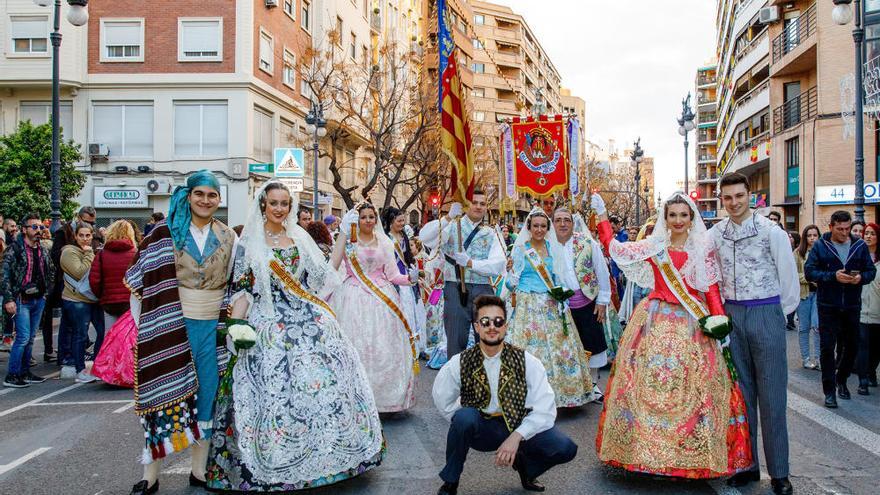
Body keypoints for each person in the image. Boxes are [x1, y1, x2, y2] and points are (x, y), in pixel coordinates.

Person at [206, 181, 384, 491]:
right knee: (272, 389)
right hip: (269, 321)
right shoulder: (248, 244)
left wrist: (343, 233)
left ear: (290, 207)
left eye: (284, 203)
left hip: (307, 319)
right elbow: (243, 290)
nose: (278, 208)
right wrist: (236, 327)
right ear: (263, 205)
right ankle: (277, 458)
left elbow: (324, 274)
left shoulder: (300, 238)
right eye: (273, 202)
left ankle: (330, 457)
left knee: (328, 381)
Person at [591, 192, 752, 479]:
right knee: (646, 387)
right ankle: (645, 454)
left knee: (692, 390)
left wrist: (719, 323)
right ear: (665, 219)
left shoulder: (703, 251)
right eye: (672, 215)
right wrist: (602, 218)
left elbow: (711, 290)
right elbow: (615, 248)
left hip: (691, 326)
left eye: (683, 215)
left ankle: (687, 454)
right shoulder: (655, 246)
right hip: (653, 321)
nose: (678, 220)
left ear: (692, 219)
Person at [125, 170, 237, 495]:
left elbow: (235, 284)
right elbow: (141, 283)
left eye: (212, 195)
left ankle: (199, 471)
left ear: (219, 200)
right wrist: (144, 328)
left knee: (207, 396)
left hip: (211, 328)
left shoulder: (229, 236)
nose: (205, 200)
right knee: (162, 395)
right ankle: (151, 474)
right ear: (188, 196)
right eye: (199, 194)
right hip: (169, 326)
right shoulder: (164, 232)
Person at [432, 295, 577, 495]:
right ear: (476, 326)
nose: (492, 327)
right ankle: (451, 481)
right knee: (463, 418)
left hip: (519, 426)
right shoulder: (459, 362)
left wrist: (518, 436)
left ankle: (527, 467)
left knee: (565, 447)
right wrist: (463, 424)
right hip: (483, 430)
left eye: (498, 321)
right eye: (485, 321)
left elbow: (545, 408)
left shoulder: (527, 361)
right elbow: (443, 398)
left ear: (506, 326)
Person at [710, 173, 798, 495]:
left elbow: (788, 279)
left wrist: (776, 316)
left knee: (772, 397)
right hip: (732, 315)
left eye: (739, 196)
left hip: (766, 312)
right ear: (722, 200)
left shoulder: (771, 232)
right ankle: (746, 465)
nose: (734, 203)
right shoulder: (715, 233)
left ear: (751, 196)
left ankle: (780, 472)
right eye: (728, 197)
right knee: (741, 395)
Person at [330, 202, 419, 413]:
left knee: (384, 348)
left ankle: (384, 399)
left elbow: (393, 275)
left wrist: (411, 279)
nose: (368, 220)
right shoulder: (349, 243)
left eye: (371, 216)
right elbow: (333, 267)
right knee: (356, 347)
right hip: (352, 297)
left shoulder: (385, 243)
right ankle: (354, 398)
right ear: (356, 220)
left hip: (383, 298)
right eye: (363, 217)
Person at [505, 208, 594, 408]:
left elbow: (558, 276)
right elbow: (511, 283)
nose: (539, 229)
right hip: (527, 303)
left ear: (548, 228)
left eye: (543, 226)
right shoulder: (520, 249)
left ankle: (563, 394)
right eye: (535, 226)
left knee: (559, 349)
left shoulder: (553, 248)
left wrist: (562, 295)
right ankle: (526, 397)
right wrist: (509, 274)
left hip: (551, 303)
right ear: (528, 227)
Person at [804, 210, 876, 408]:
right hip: (828, 305)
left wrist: (861, 277)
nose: (845, 233)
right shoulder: (821, 245)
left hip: (852, 305)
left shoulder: (859, 245)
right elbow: (810, 272)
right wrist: (832, 276)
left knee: (852, 346)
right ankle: (829, 392)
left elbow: (871, 271)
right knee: (828, 348)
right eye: (840, 229)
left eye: (847, 229)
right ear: (831, 227)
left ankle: (841, 379)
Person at [553, 207, 611, 401]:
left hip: (588, 300)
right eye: (558, 220)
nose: (562, 224)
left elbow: (601, 270)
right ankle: (570, 387)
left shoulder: (587, 242)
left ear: (572, 222)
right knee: (566, 347)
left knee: (592, 343)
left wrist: (602, 300)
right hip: (559, 304)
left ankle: (593, 385)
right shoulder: (547, 245)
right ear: (553, 223)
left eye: (566, 220)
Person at [439, 191, 506, 358]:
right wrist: (447, 218)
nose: (478, 206)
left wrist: (471, 263)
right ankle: (457, 380)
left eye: (482, 204)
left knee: (488, 339)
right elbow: (428, 238)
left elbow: (498, 265)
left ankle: (485, 379)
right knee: (455, 341)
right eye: (474, 202)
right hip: (455, 286)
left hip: (483, 289)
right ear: (466, 205)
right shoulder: (452, 226)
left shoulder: (492, 233)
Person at [2, 214, 52, 388]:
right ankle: (12, 374)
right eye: (34, 227)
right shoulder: (14, 249)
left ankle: (24, 372)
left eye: (41, 227)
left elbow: (50, 272)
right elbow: (5, 275)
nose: (39, 230)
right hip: (20, 299)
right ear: (24, 230)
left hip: (38, 299)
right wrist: (9, 299)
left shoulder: (42, 250)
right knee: (22, 337)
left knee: (30, 337)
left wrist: (46, 293)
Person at [52, 206, 100, 372]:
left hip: (89, 293)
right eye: (86, 221)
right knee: (72, 328)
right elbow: (77, 269)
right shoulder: (63, 234)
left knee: (91, 330)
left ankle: (84, 359)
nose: (86, 237)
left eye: (91, 224)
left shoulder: (92, 238)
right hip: (71, 290)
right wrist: (88, 254)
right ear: (79, 218)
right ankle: (68, 357)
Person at [59, 223, 103, 383]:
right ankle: (80, 370)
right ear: (75, 236)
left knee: (102, 331)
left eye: (88, 235)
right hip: (76, 300)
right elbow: (79, 272)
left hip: (93, 299)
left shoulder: (90, 251)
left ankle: (97, 366)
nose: (85, 239)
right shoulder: (69, 252)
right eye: (81, 235)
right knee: (80, 335)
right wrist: (90, 254)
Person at [383, 207, 427, 355]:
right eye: (399, 220)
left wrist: (416, 276)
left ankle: (409, 347)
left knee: (410, 312)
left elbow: (408, 259)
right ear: (391, 221)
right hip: (391, 281)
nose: (402, 223)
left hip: (406, 281)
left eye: (403, 220)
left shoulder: (404, 237)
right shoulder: (385, 239)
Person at [89, 220, 137, 331]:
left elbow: (94, 280)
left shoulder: (102, 254)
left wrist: (102, 296)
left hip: (109, 302)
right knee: (128, 337)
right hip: (130, 302)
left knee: (110, 334)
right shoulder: (135, 254)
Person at [857, 222, 880, 395]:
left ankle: (871, 371)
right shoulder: (858, 256)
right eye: (867, 233)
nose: (868, 236)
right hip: (860, 309)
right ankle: (863, 380)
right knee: (863, 345)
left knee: (876, 348)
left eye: (872, 233)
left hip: (877, 311)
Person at [795, 225, 821, 370]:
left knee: (817, 327)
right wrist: (810, 278)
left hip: (819, 294)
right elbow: (792, 273)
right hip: (804, 295)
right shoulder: (798, 253)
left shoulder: (824, 251)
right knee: (804, 327)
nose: (812, 238)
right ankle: (806, 358)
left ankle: (818, 358)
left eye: (815, 235)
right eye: (809, 235)